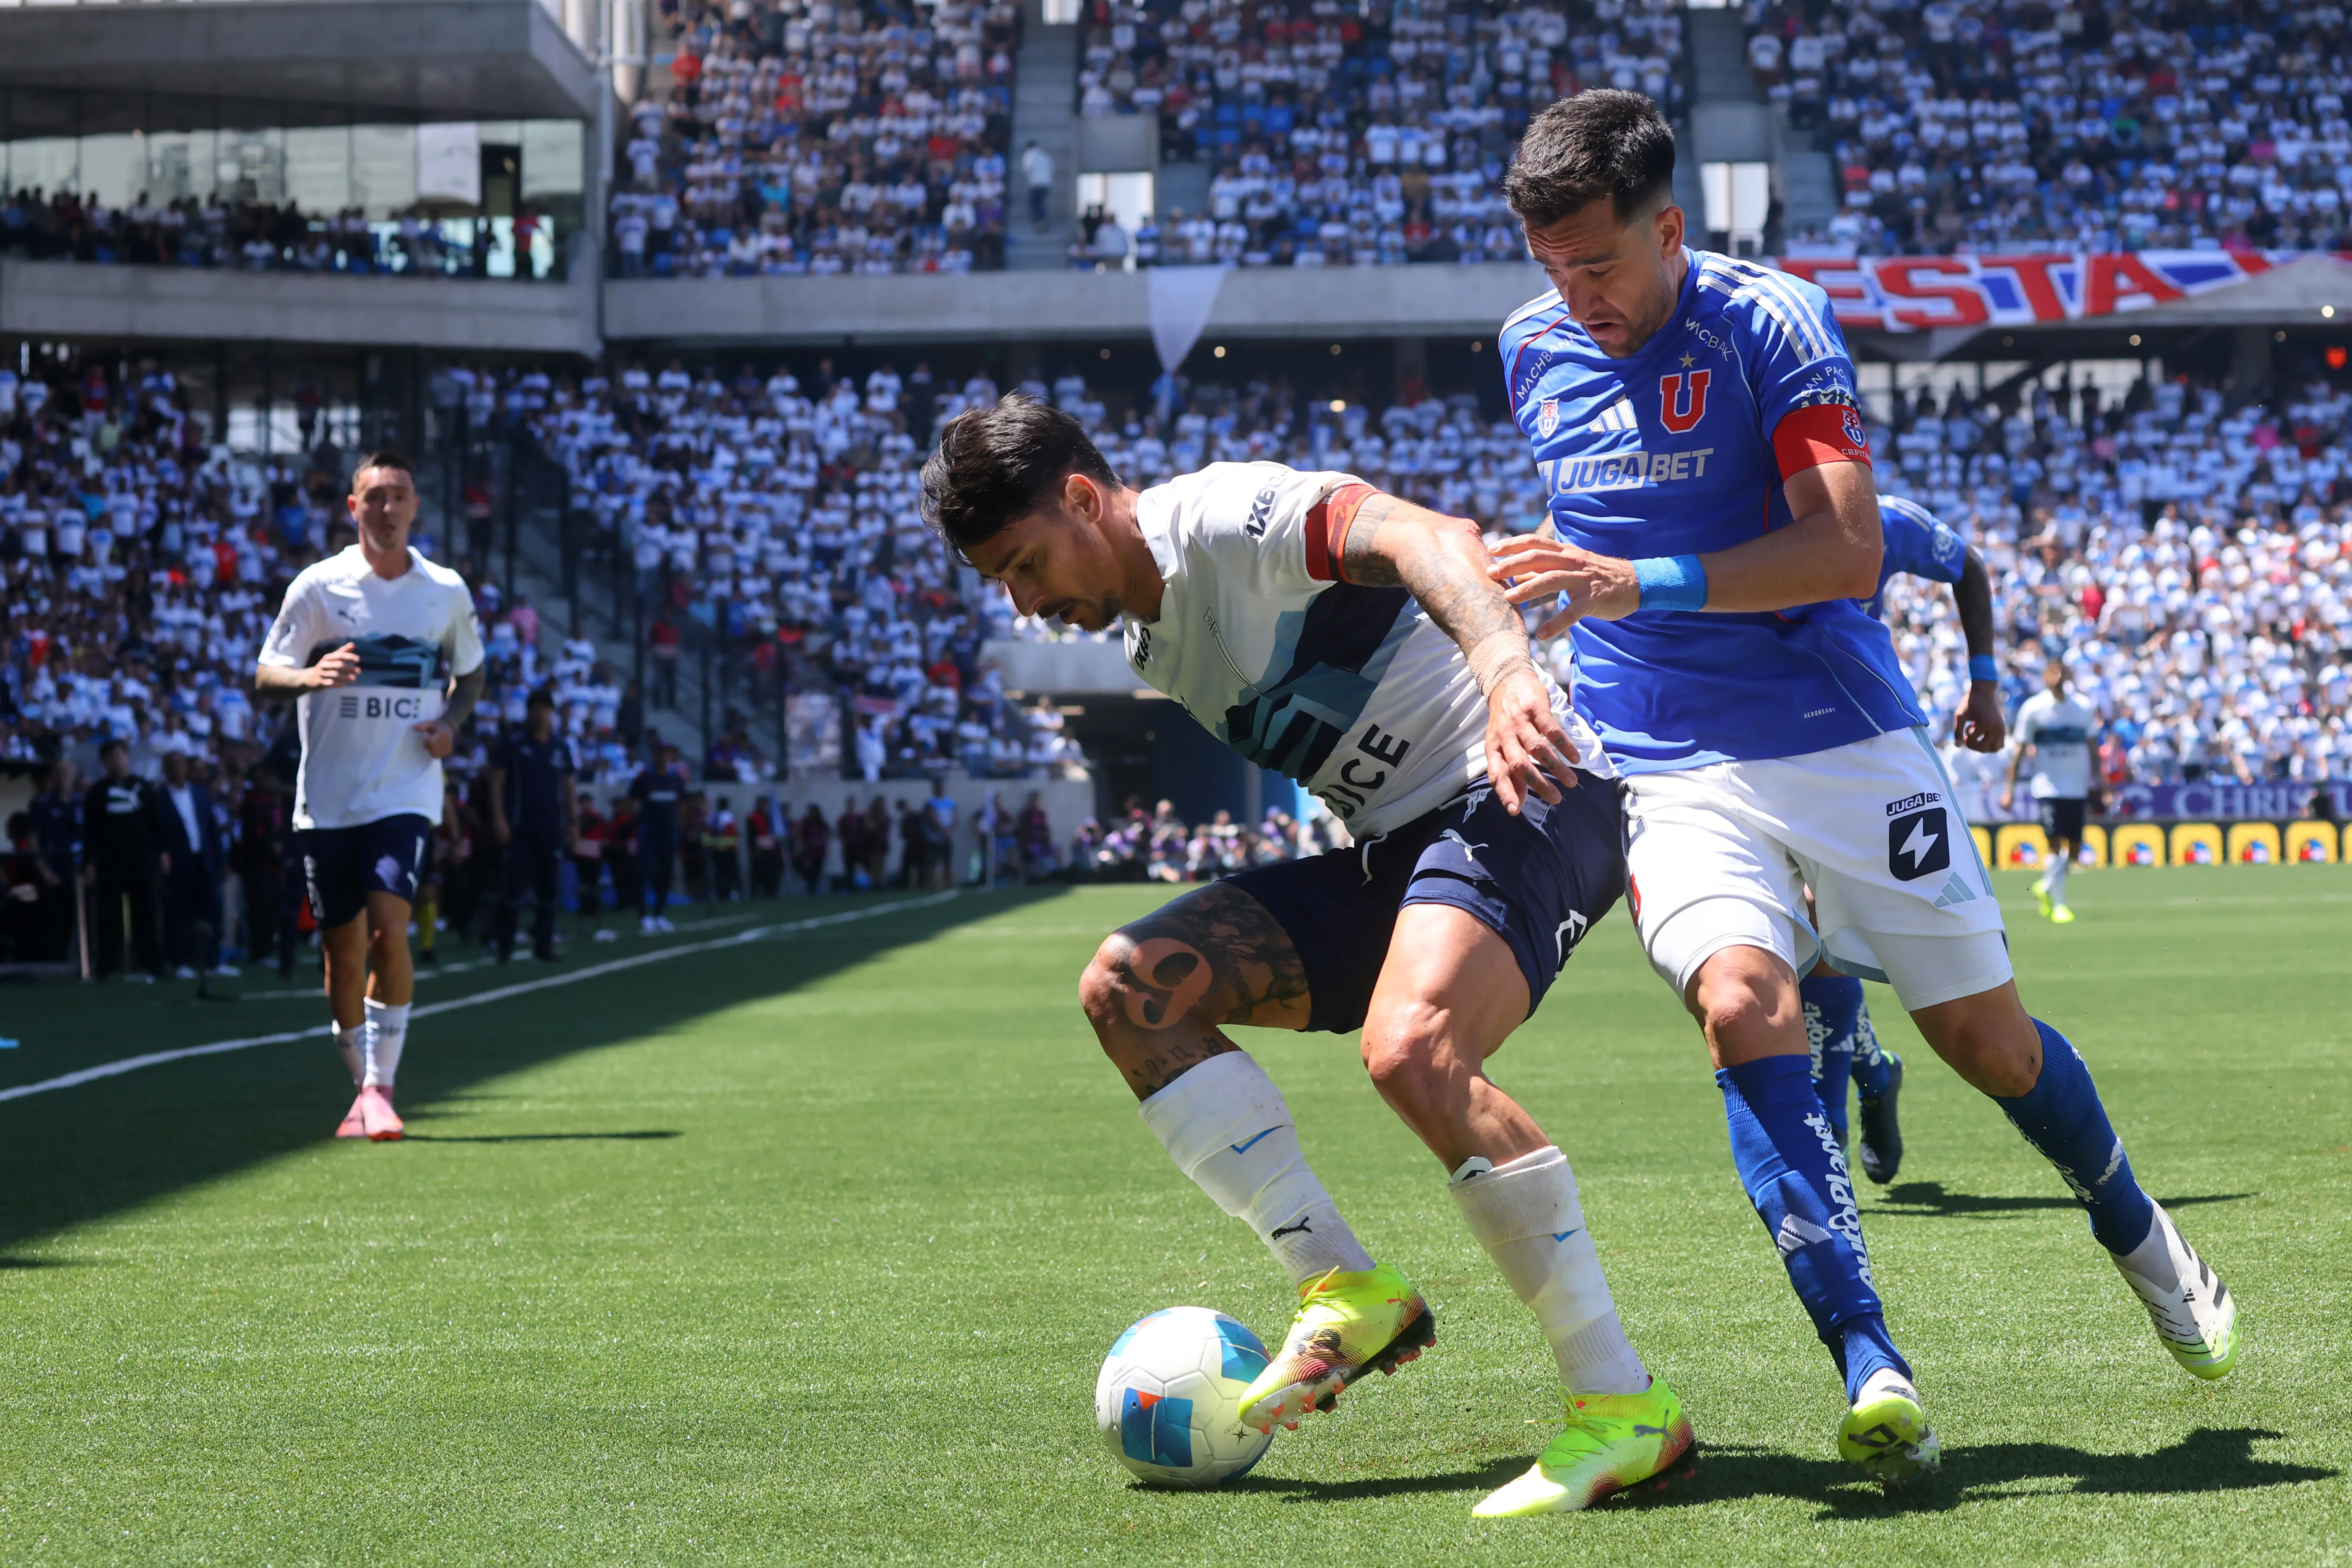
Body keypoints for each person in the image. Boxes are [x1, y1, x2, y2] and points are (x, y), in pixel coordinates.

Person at [1487, 89, 2236, 1486]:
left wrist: (1631, 581)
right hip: (1660, 753)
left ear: (1667, 228)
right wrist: (1525, 613)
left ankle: (2135, 1227)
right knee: (1737, 1000)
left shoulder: (1770, 324)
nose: (1571, 294)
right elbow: (1600, 521)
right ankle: (1867, 1360)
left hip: (1832, 732)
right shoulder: (1529, 346)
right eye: (1547, 267)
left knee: (1984, 1045)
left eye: (1596, 263)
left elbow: (1840, 551)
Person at [922, 394, 1684, 1519]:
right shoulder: (1141, 629)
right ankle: (1344, 1284)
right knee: (1130, 988)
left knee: (1413, 1051)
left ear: (1083, 498)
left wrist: (1507, 669)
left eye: (1026, 563)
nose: (1026, 603)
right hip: (1395, 852)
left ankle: (1625, 1408)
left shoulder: (1223, 518)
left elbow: (1430, 537)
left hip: (1524, 787)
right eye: (1004, 585)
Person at [255, 449, 486, 1141]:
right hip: (327, 799)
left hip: (406, 790)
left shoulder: (444, 590)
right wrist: (310, 677)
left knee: (391, 926)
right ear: (352, 508)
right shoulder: (319, 588)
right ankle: (361, 1087)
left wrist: (449, 723)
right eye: (374, 497)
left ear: (417, 506)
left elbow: (471, 675)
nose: (388, 508)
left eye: (400, 496)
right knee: (342, 954)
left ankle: (381, 1088)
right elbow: (269, 671)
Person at [1806, 495, 2009, 1184]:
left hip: (1861, 748)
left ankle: (1826, 1130)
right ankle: (1873, 1072)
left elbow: (1967, 565)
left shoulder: (1880, 519)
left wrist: (1984, 683)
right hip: (1749, 752)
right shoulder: (1711, 512)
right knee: (1790, 948)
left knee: (1820, 938)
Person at [2003, 658, 2098, 925]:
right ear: (2045, 676)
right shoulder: (2034, 708)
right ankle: (2059, 904)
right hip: (2048, 786)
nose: (2057, 677)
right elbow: (2019, 750)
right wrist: (2009, 789)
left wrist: (2101, 781)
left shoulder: (2083, 707)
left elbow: (2093, 746)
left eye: (2061, 672)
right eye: (2052, 672)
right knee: (2055, 842)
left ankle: (2046, 885)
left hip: (2076, 786)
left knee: (2076, 851)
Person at [487, 687, 575, 963]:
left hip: (551, 827)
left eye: (545, 708)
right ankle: (505, 947)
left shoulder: (560, 747)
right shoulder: (513, 743)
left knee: (549, 889)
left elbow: (569, 785)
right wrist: (499, 818)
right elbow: (497, 782)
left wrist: (573, 821)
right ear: (529, 712)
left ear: (552, 712)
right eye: (536, 708)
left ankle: (544, 945)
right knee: (512, 889)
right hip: (520, 826)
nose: (541, 714)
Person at [81, 739, 166, 982]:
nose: (118, 760)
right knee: (109, 917)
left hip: (141, 862)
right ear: (105, 761)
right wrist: (89, 863)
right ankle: (107, 967)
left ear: (128, 758)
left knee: (147, 914)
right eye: (113, 756)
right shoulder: (97, 793)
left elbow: (157, 825)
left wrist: (162, 853)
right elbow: (90, 831)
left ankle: (153, 965)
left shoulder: (144, 788)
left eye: (122, 755)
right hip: (109, 864)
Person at [154, 749, 228, 976]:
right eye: (172, 765)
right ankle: (180, 962)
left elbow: (211, 830)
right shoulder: (158, 798)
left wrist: (221, 860)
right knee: (177, 914)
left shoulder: (199, 793)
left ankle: (213, 961)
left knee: (211, 911)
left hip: (202, 861)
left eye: (181, 765)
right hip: (178, 864)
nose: (178, 770)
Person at [630, 743, 688, 930]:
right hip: (649, 832)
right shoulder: (645, 778)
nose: (663, 757)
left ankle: (660, 914)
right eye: (660, 754)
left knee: (666, 873)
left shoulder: (675, 780)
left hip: (668, 834)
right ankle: (643, 915)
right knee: (645, 872)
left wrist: (678, 825)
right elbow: (632, 801)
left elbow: (682, 804)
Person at [572, 788, 610, 934]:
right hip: (582, 856)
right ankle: (584, 918)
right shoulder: (581, 818)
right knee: (584, 888)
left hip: (593, 856)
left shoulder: (596, 818)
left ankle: (594, 917)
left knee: (593, 888)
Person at [794, 802, 832, 895]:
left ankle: (814, 888)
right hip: (809, 852)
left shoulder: (821, 823)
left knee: (818, 871)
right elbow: (801, 835)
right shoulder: (806, 823)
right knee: (808, 871)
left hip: (819, 852)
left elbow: (828, 832)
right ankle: (811, 887)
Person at [1020, 140, 1053, 231]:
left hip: (1036, 183)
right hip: (1046, 183)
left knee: (1035, 203)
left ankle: (1040, 222)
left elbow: (1027, 169)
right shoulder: (1045, 155)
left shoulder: (1029, 155)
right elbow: (1051, 168)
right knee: (1040, 203)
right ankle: (1043, 220)